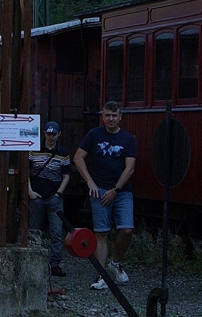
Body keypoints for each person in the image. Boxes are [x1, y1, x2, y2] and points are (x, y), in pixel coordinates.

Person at [72, 101, 138, 289]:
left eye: (114, 115)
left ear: (120, 117)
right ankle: (102, 277)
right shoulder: (94, 135)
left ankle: (115, 263)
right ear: (102, 117)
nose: (111, 119)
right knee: (101, 233)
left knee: (126, 230)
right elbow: (78, 158)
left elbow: (130, 168)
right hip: (98, 189)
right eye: (108, 115)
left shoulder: (128, 139)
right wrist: (90, 182)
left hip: (121, 191)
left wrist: (115, 190)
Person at [27, 122, 73, 277]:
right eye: (48, 133)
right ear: (44, 133)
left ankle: (54, 264)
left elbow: (67, 176)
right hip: (37, 196)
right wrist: (30, 192)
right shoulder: (33, 150)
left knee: (57, 233)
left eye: (54, 134)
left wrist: (58, 194)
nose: (51, 137)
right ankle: (32, 263)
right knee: (34, 231)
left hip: (54, 197)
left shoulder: (63, 153)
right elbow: (26, 172)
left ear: (59, 134)